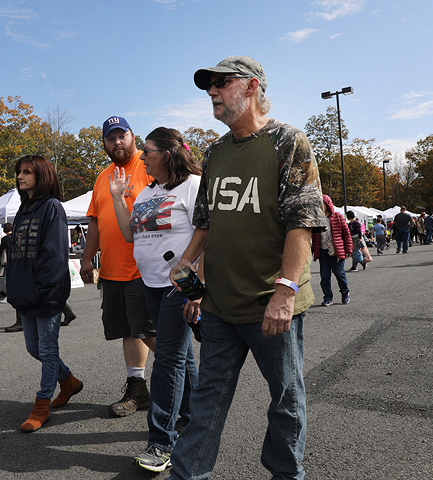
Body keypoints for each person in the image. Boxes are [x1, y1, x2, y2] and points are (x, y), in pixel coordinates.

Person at [165, 55, 326, 480]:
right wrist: (186, 266)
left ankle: (285, 474)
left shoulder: (288, 141)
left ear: (252, 87)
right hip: (219, 304)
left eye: (221, 83)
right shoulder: (214, 152)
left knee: (286, 401)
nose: (212, 92)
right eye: (208, 87)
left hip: (271, 304)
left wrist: (285, 291)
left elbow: (302, 221)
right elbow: (206, 220)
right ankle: (187, 475)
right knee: (206, 402)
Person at [109, 126, 201, 472]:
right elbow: (130, 233)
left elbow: (207, 236)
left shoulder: (193, 186)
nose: (142, 157)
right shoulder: (148, 191)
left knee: (167, 361)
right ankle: (191, 419)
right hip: (151, 283)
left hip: (180, 286)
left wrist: (198, 290)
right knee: (177, 356)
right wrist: (119, 197)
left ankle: (162, 443)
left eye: (147, 151)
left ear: (168, 154)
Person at [80, 116, 156, 417]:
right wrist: (87, 258)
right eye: (110, 139)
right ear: (105, 144)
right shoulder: (103, 177)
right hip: (112, 270)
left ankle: (184, 386)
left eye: (121, 136)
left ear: (132, 136)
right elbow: (95, 222)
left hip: (145, 268)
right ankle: (138, 388)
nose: (117, 143)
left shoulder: (150, 165)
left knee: (150, 331)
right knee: (128, 330)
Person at [6, 155, 82, 433]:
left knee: (48, 350)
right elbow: (14, 255)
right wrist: (12, 285)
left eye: (27, 172)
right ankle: (69, 381)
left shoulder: (52, 207)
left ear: (42, 175)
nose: (20, 176)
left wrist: (44, 289)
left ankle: (42, 405)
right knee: (33, 348)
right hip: (24, 293)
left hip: (46, 294)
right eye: (19, 172)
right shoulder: (23, 210)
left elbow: (55, 254)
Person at [312, 195, 352, 306]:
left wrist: (349, 248)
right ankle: (328, 297)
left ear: (328, 204)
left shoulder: (338, 217)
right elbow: (313, 237)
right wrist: (311, 251)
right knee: (324, 276)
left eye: (322, 203)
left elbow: (346, 234)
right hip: (323, 251)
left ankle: (345, 292)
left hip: (337, 251)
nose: (320, 206)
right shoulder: (316, 218)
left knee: (339, 273)